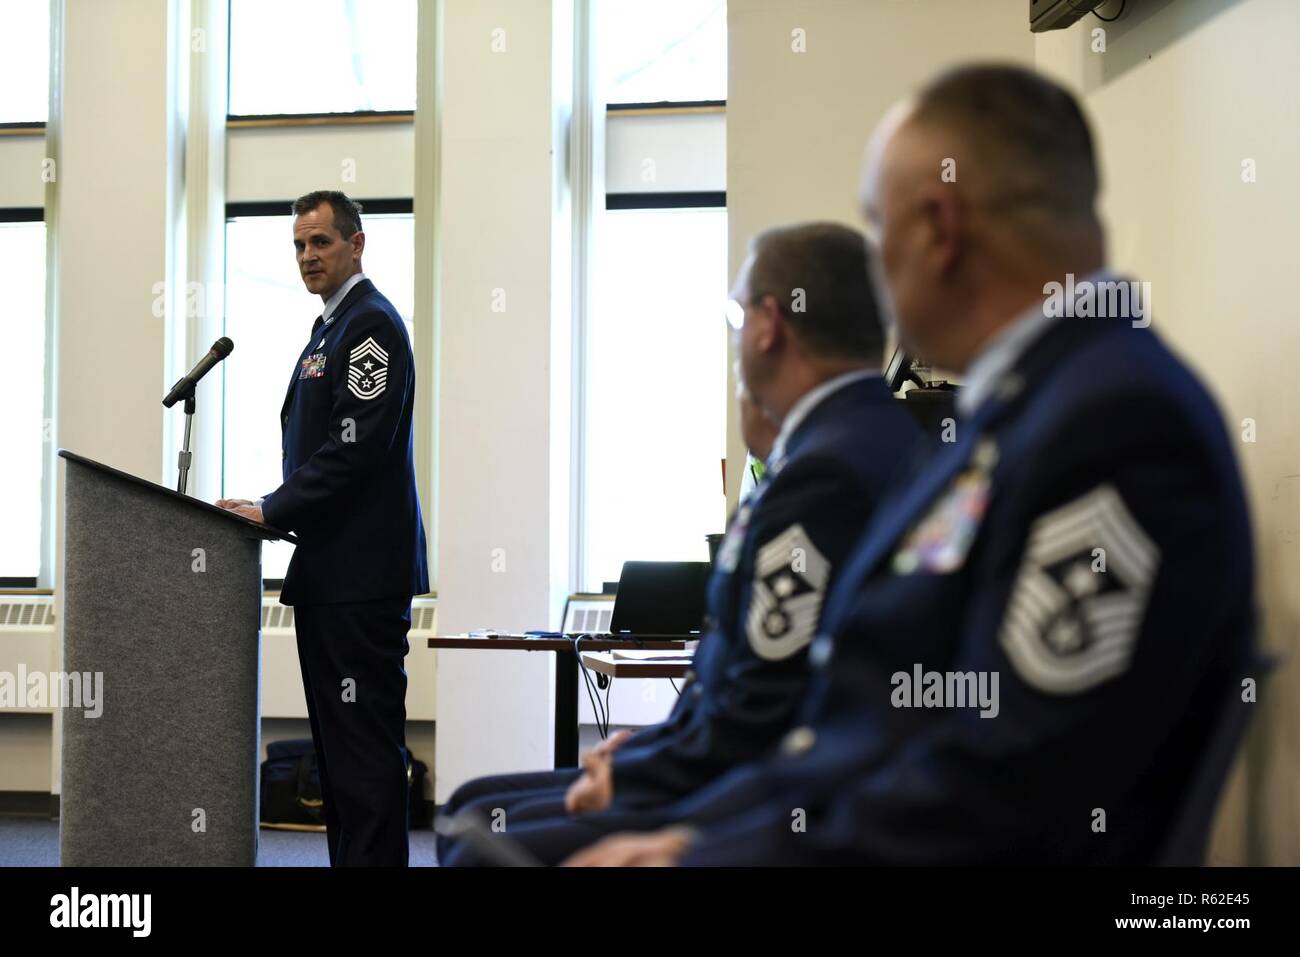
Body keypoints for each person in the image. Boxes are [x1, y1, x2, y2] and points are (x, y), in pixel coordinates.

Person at [564, 63, 1257, 866]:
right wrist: (698, 835)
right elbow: (864, 727)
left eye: (876, 221)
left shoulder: (1117, 426)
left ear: (938, 227)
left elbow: (1009, 786)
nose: (874, 269)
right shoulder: (1005, 415)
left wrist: (709, 858)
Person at [439, 223, 926, 866]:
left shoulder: (826, 471)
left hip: (741, 792)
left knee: (480, 840)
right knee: (475, 804)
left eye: (735, 311)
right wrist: (648, 743)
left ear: (768, 324)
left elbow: (764, 706)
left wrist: (640, 770)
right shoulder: (855, 439)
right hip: (720, 759)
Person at [219, 189, 429, 866]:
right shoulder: (331, 327)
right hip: (331, 576)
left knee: (364, 760)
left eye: (322, 242)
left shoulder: (371, 327)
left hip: (361, 582)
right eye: (300, 245)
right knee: (341, 763)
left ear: (357, 243)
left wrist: (272, 507)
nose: (308, 255)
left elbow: (356, 449)